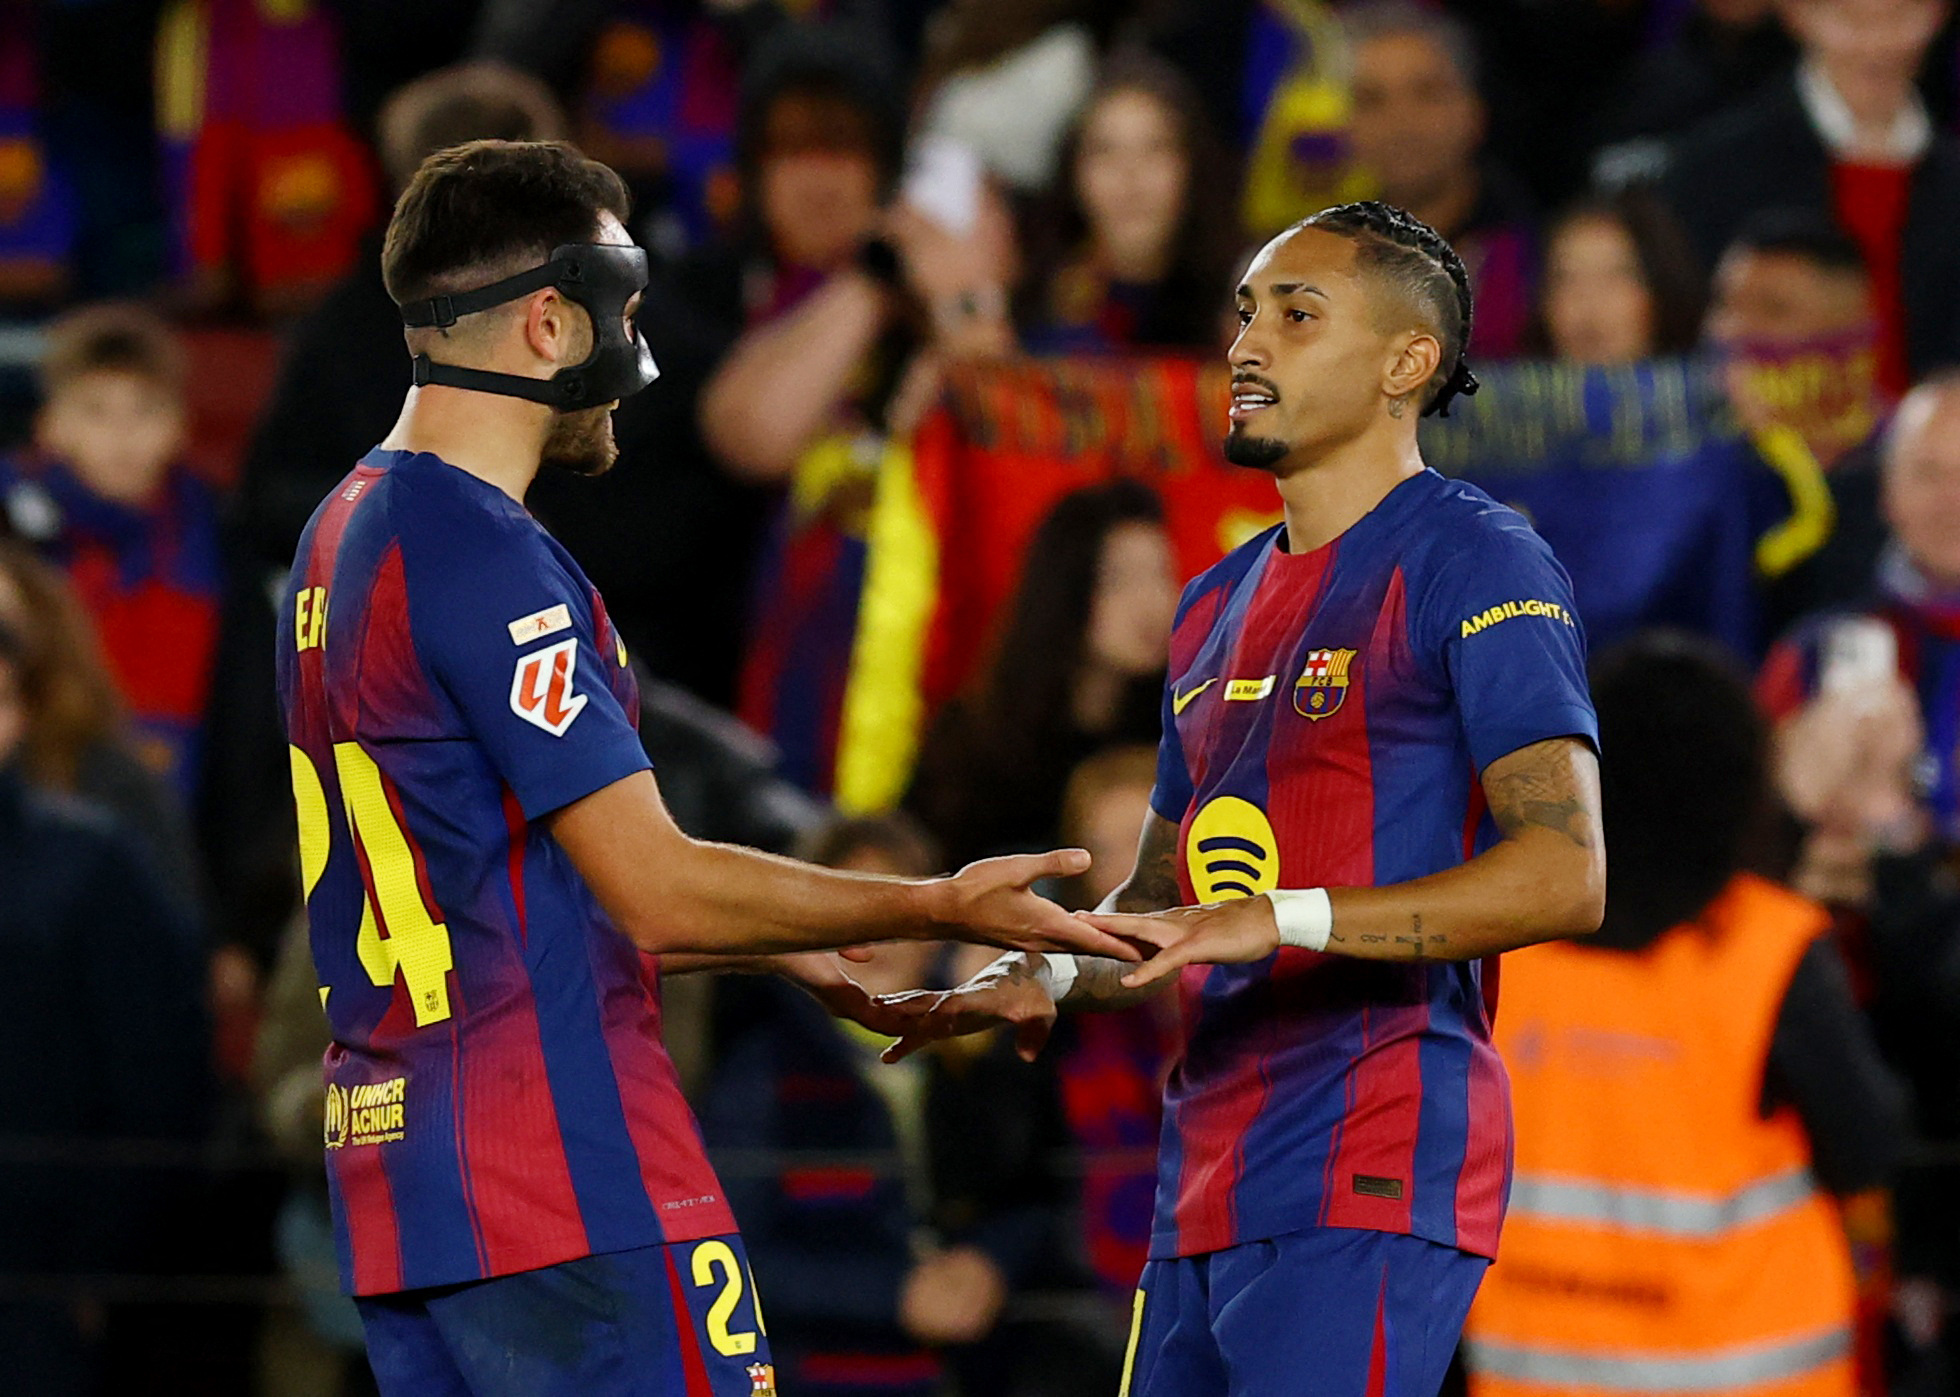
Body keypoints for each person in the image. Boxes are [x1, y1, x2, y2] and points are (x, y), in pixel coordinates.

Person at [279, 138, 1131, 1397]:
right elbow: (657, 889)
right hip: (564, 1169)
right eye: (622, 306)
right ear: (549, 322)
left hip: (418, 1184)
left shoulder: (343, 531)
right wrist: (936, 904)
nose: (642, 355)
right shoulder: (485, 552)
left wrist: (810, 957)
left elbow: (516, 876)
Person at [883, 201, 1608, 1396]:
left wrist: (1285, 916)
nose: (1246, 344)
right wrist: (1047, 971)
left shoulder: (1478, 556)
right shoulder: (1211, 603)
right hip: (1203, 1170)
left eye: (1295, 313)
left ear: (1405, 363)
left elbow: (1565, 870)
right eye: (1242, 312)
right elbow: (1164, 906)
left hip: (1368, 1153)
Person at [1463, 632, 1905, 1397]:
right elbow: (1868, 1142)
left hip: (1535, 1371)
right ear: (1736, 788)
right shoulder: (1768, 949)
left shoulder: (1503, 946)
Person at [699, 813, 1083, 1397]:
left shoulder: (983, 1059)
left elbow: (1043, 1195)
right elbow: (726, 1259)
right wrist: (893, 1294)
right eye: (853, 919)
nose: (875, 945)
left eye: (897, 918)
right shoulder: (761, 1074)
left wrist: (990, 1264)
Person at [0, 618, 214, 1397]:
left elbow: (159, 1079)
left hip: (36, 1297)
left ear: (22, 713)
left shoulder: (93, 866)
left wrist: (96, 1275)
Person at [1657, 0, 1960, 392]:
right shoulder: (1718, 165)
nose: (1876, 44)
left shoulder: (1950, 178)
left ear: (1938, 16)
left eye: (1900, 17)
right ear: (1798, 16)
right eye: (1851, 19)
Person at [0, 302, 220, 802]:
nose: (122, 435)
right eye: (95, 411)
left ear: (179, 427)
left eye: (146, 410)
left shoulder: (219, 548)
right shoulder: (9, 540)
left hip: (174, 825)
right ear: (50, 424)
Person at [903, 479, 1177, 871]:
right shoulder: (977, 741)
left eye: (1161, 573)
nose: (1153, 602)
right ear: (1065, 589)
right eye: (1119, 580)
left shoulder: (1180, 732)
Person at [1341, 1, 1539, 358]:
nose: (1401, 123)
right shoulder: (1323, 256)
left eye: (1427, 93)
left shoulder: (1539, 258)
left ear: (1474, 113)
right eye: (1372, 100)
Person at [1019, 52, 1238, 354]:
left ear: (1191, 166)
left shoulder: (1242, 305)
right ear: (1073, 172)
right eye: (1106, 151)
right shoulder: (1031, 305)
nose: (1131, 176)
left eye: (1156, 148)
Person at [1531, 189, 1707, 364]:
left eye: (1615, 276)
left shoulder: (1717, 387)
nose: (1588, 301)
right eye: (1566, 279)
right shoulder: (1511, 387)